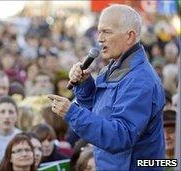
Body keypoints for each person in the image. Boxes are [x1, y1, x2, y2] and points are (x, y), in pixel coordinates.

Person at [48, 4, 166, 170]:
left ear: (130, 37)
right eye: (99, 31)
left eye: (107, 32)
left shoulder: (140, 80)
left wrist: (72, 113)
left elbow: (119, 136)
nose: (99, 38)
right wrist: (85, 85)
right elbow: (99, 113)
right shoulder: (114, 67)